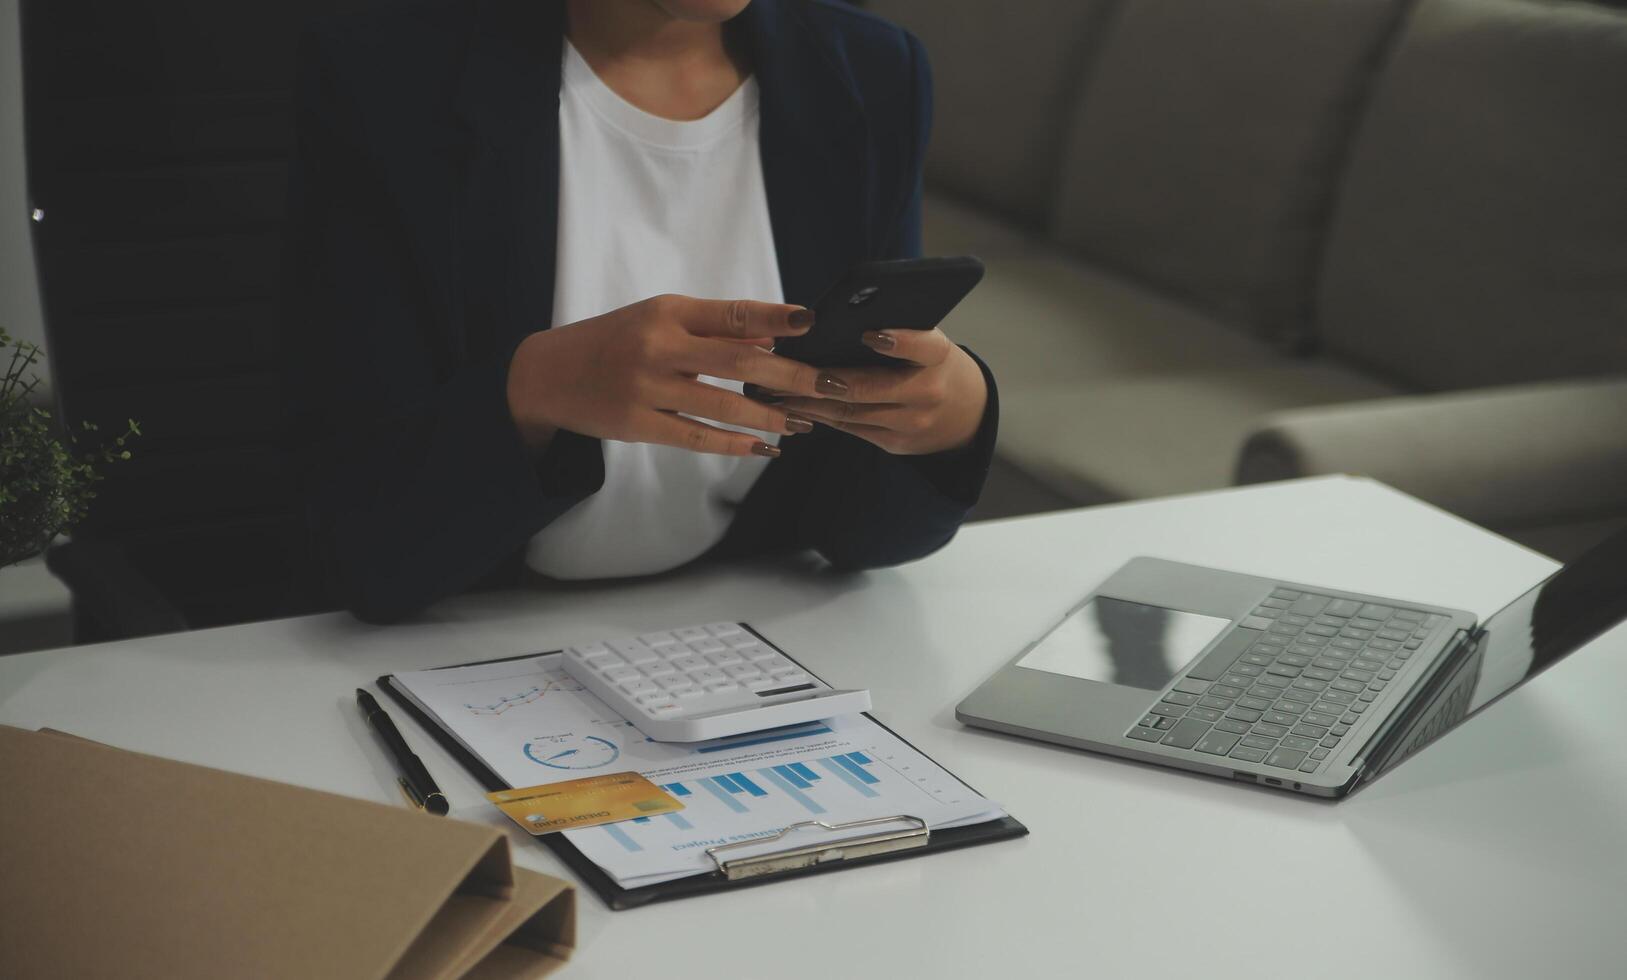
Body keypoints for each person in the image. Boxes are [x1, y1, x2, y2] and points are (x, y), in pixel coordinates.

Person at [282, 0, 999, 623]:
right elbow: (361, 551)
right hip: (466, 641)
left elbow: (860, 541)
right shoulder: (386, 75)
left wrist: (953, 420)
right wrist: (534, 391)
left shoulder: (869, 69)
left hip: (754, 635)